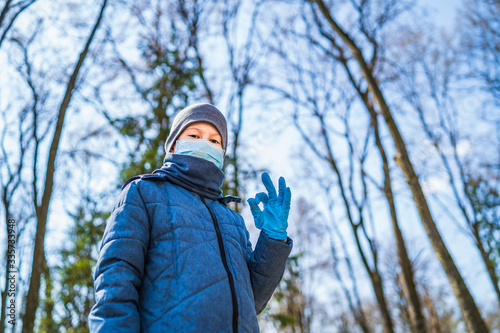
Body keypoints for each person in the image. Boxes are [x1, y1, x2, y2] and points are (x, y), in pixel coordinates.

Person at [89, 103, 293, 332]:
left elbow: (251, 300)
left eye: (215, 141)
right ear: (174, 145)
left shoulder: (232, 220)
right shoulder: (144, 193)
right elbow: (116, 281)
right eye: (194, 135)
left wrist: (273, 240)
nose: (205, 144)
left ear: (222, 153)